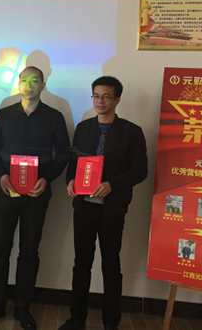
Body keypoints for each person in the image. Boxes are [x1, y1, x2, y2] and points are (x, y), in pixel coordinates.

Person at [0, 66, 70, 330]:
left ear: (43, 85)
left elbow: (63, 153)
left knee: (29, 251)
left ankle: (23, 307)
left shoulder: (54, 117)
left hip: (37, 193)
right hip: (6, 191)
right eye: (24, 79)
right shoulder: (4, 114)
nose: (28, 84)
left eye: (34, 80)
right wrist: (1, 175)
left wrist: (46, 179)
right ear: (18, 83)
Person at [59, 76, 148, 330]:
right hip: (83, 207)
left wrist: (112, 184)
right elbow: (74, 162)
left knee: (110, 265)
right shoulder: (83, 128)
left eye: (106, 96)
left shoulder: (131, 132)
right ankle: (77, 318)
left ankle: (111, 322)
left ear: (117, 99)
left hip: (112, 209)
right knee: (81, 264)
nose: (100, 101)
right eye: (96, 96)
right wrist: (70, 180)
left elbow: (140, 171)